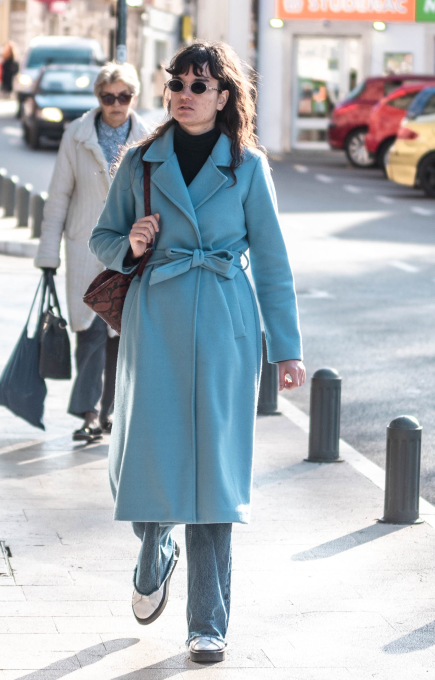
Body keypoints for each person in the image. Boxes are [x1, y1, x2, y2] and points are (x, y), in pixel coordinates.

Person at [89, 41, 305, 664]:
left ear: (225, 96)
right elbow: (103, 238)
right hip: (155, 320)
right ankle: (154, 545)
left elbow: (271, 261)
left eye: (199, 85)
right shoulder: (141, 163)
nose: (185, 94)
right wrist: (128, 241)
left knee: (213, 475)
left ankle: (207, 622)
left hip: (224, 326)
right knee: (152, 459)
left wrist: (286, 347)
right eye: (176, 82)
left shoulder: (248, 167)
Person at [34, 63, 150, 442]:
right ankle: (88, 413)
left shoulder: (149, 137)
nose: (116, 104)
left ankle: (112, 411)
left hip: (129, 247)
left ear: (135, 97)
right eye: (108, 97)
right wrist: (48, 254)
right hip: (85, 242)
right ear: (98, 98)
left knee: (121, 331)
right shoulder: (77, 134)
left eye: (124, 96)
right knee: (88, 329)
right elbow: (59, 196)